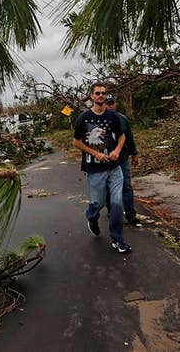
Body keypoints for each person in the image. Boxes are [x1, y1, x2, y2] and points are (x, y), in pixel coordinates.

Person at [73, 82, 132, 254]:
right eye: (97, 93)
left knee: (116, 203)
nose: (101, 96)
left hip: (114, 167)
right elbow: (76, 142)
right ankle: (92, 217)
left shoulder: (112, 117)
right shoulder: (83, 118)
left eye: (103, 93)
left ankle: (117, 240)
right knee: (97, 203)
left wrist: (117, 150)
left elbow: (122, 137)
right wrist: (95, 153)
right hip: (94, 169)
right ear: (91, 96)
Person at [105, 95, 141, 227]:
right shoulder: (100, 120)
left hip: (123, 157)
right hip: (107, 159)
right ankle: (112, 212)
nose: (110, 106)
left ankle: (131, 214)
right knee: (109, 187)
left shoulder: (122, 119)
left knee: (126, 185)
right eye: (108, 104)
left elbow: (129, 138)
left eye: (112, 103)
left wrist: (134, 153)